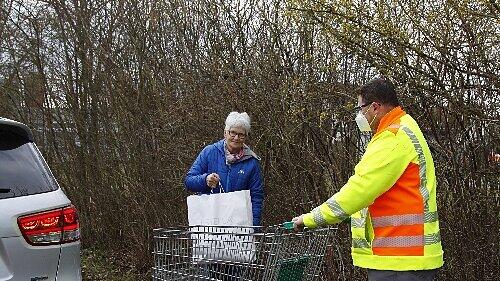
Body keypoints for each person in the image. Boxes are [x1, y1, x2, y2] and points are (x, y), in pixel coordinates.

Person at [293, 77, 444, 281]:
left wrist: (311, 218)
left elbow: (359, 191)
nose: (360, 115)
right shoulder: (404, 127)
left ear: (375, 107)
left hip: (399, 260)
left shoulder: (392, 138)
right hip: (408, 258)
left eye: (361, 109)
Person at [184, 111, 264, 226]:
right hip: (209, 222)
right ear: (225, 133)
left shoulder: (252, 162)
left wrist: (254, 228)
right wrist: (205, 180)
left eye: (241, 134)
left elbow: (256, 198)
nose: (236, 138)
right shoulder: (209, 152)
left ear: (245, 137)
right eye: (233, 133)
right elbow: (189, 181)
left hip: (239, 225)